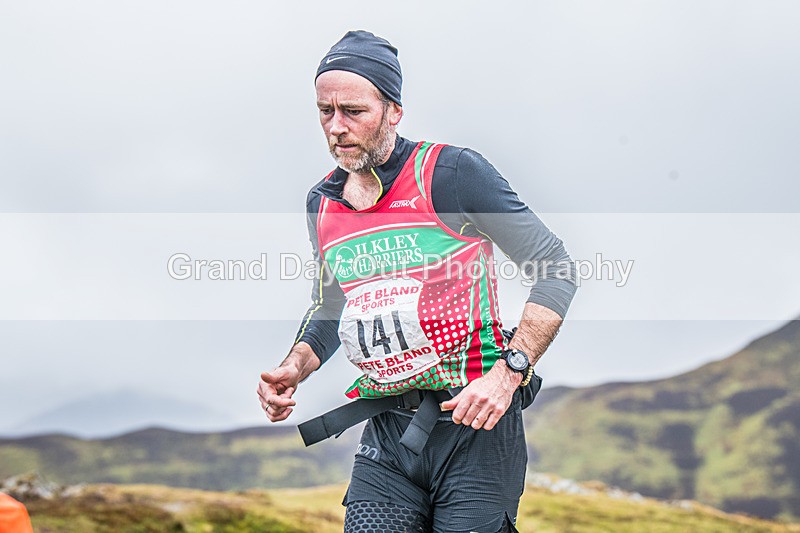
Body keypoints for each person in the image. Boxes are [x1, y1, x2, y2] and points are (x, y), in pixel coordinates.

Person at [257, 30, 577, 533]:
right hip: (387, 435)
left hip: (477, 428)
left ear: (393, 110)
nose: (336, 127)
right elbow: (332, 304)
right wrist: (294, 366)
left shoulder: (452, 173)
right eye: (325, 111)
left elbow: (555, 268)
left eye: (353, 111)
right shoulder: (323, 202)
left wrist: (510, 371)